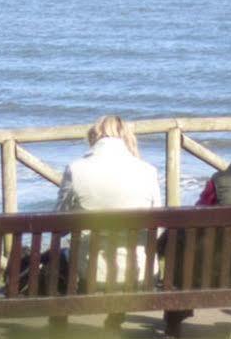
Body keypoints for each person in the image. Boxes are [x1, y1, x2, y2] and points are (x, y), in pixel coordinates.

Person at [56, 114, 161, 320]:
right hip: (141, 274)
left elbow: (59, 226)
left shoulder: (75, 170)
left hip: (91, 275)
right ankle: (116, 317)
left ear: (94, 137)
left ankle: (58, 326)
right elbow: (157, 230)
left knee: (60, 256)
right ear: (126, 138)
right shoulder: (148, 171)